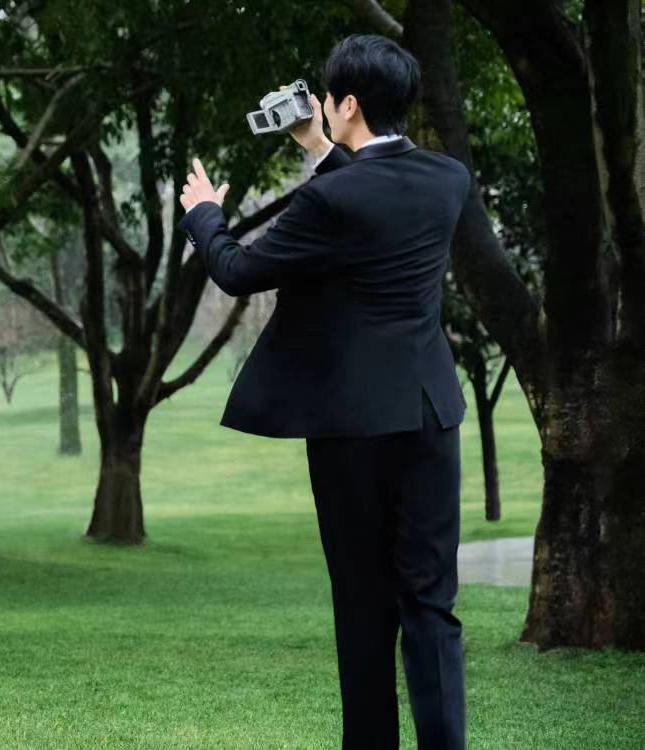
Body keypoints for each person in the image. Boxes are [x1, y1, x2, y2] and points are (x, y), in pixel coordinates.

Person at [177, 35, 471, 749]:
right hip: (430, 414)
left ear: (347, 104)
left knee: (363, 608)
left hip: (351, 428)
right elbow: (377, 195)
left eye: (330, 101)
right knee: (430, 604)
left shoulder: (328, 200)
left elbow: (237, 271)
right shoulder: (448, 178)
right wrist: (318, 144)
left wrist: (204, 213)